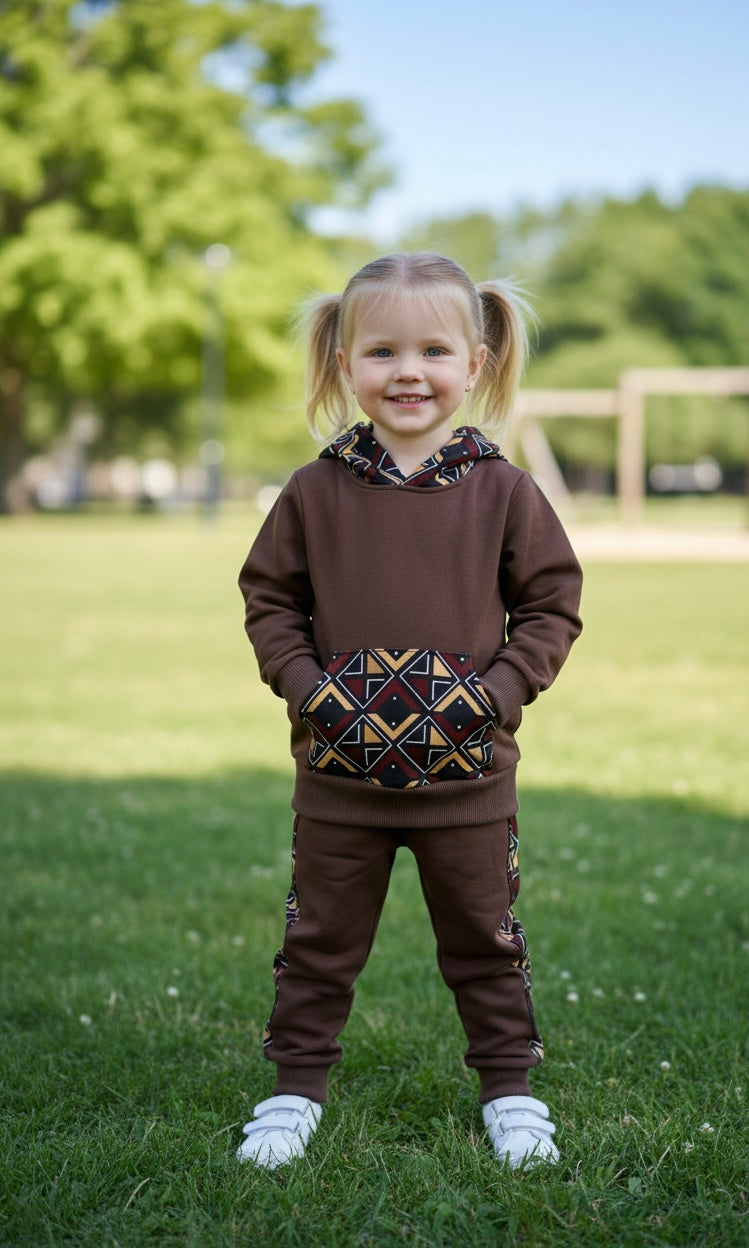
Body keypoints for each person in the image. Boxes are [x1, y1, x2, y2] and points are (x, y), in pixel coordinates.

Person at [236, 252, 583, 1172]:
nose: (408, 372)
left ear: (474, 363)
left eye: (433, 351)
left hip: (468, 782)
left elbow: (550, 606)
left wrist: (494, 697)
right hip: (337, 780)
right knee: (318, 942)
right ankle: (292, 1090)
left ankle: (509, 1090)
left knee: (484, 942)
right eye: (382, 351)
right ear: (344, 363)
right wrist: (307, 689)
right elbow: (269, 601)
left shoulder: (504, 491)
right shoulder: (314, 491)